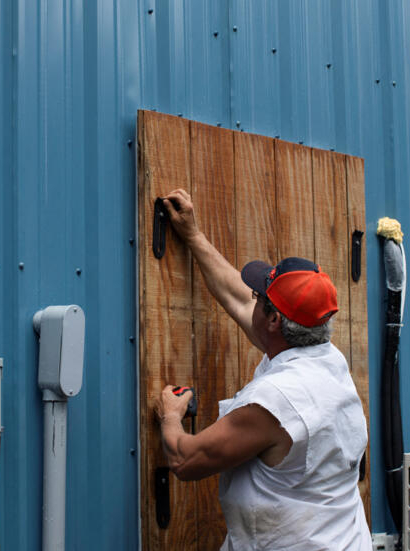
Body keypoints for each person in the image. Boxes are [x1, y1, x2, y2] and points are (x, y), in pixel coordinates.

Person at [153, 189, 371, 550]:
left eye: (261, 298)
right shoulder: (325, 358)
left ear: (273, 319)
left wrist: (170, 416)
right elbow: (238, 297)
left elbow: (185, 459)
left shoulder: (276, 401)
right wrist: (192, 235)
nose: (250, 297)